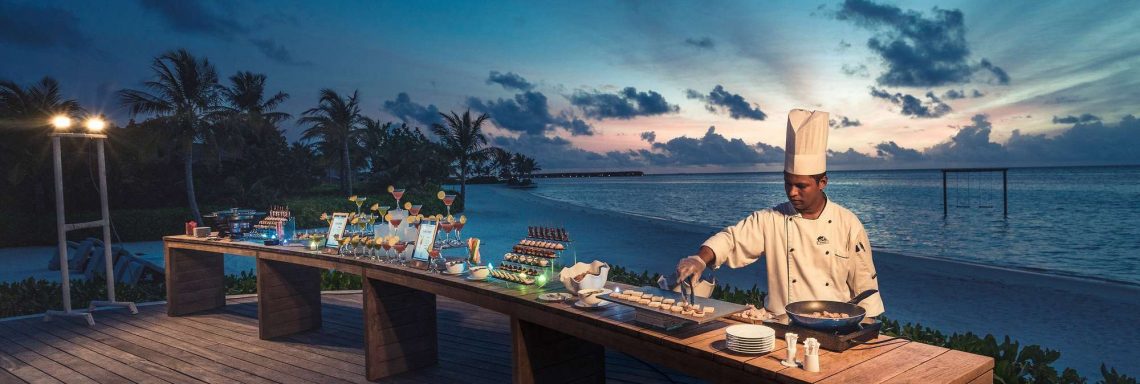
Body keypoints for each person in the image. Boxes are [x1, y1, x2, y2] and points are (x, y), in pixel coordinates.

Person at [675, 109, 884, 317]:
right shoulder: (771, 220)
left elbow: (866, 289)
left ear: (822, 183)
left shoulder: (847, 224)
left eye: (801, 186)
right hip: (779, 325)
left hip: (831, 326)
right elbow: (731, 239)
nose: (792, 192)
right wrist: (699, 260)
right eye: (788, 183)